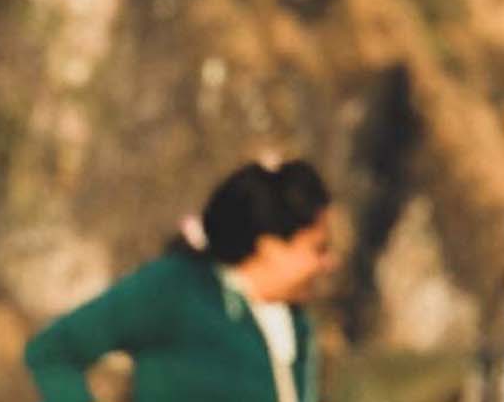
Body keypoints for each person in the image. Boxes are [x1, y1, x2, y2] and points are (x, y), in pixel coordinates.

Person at [23, 159, 339, 402]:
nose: (329, 262)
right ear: (268, 246)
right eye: (318, 248)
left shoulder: (296, 327)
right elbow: (52, 352)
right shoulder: (176, 289)